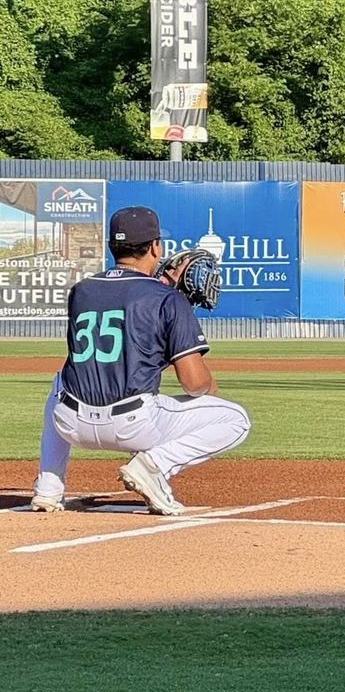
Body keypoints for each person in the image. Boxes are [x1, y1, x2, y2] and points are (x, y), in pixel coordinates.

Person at [29, 206, 251, 515]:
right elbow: (196, 385)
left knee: (60, 382)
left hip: (70, 424)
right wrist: (178, 309)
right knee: (236, 419)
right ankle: (153, 466)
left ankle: (48, 489)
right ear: (155, 247)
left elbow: (121, 353)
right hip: (134, 427)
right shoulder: (167, 299)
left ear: (112, 246)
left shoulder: (81, 291)